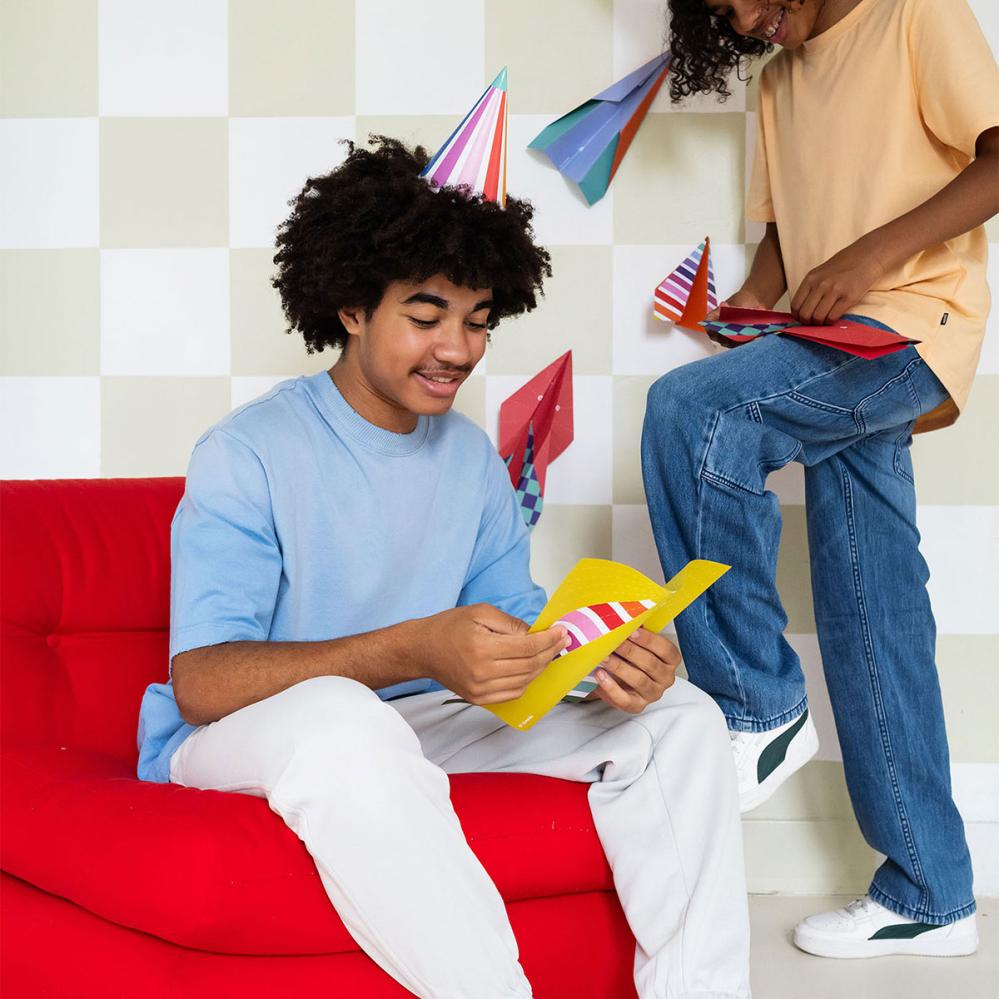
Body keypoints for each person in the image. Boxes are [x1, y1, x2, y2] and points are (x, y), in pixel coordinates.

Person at [136, 136, 751, 999]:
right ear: (352, 307)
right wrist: (415, 646)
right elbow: (202, 682)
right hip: (240, 734)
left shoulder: (468, 459)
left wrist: (603, 658)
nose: (457, 349)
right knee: (344, 718)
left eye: (477, 321)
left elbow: (515, 632)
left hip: (414, 720)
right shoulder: (248, 451)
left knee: (679, 718)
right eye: (426, 317)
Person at [642, 0, 998, 959]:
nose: (751, 21)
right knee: (872, 606)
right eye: (728, 16)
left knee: (690, 412)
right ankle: (930, 891)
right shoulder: (778, 80)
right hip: (826, 340)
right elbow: (785, 234)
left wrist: (868, 255)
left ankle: (756, 702)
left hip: (907, 326)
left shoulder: (914, 14)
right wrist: (753, 299)